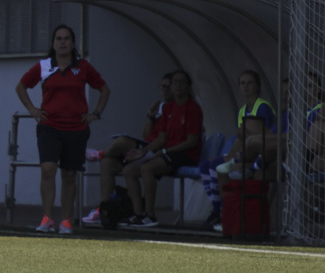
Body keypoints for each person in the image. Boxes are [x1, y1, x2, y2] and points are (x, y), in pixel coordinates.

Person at [16, 25, 110, 234]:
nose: (62, 42)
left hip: (76, 128)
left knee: (69, 175)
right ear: (53, 43)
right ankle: (48, 218)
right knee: (47, 169)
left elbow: (104, 89)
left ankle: (65, 221)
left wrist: (96, 113)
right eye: (58, 39)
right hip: (50, 127)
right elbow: (21, 86)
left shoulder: (83, 67)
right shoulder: (43, 66)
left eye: (66, 38)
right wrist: (32, 109)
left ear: (73, 43)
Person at [83, 72, 173, 226]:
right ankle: (105, 208)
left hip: (159, 152)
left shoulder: (176, 108)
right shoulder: (160, 106)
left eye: (167, 87)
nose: (164, 91)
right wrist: (150, 117)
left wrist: (145, 150)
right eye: (162, 87)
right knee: (107, 163)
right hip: (148, 149)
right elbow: (147, 134)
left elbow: (164, 139)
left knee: (122, 141)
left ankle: (99, 154)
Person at [121, 70, 204, 227]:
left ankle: (150, 215)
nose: (177, 85)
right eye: (175, 82)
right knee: (129, 171)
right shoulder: (168, 108)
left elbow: (191, 141)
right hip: (167, 153)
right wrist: (143, 152)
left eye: (181, 82)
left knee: (147, 169)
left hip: (185, 154)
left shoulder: (193, 108)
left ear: (188, 86)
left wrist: (166, 151)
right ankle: (138, 214)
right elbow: (161, 138)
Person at [197, 70, 277, 230]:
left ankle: (221, 213)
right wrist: (228, 155)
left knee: (217, 168)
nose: (246, 86)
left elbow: (266, 136)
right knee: (206, 165)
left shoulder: (262, 107)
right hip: (243, 152)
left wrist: (233, 156)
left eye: (250, 83)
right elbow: (240, 138)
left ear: (258, 86)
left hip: (258, 155)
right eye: (242, 83)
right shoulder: (242, 110)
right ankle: (217, 209)